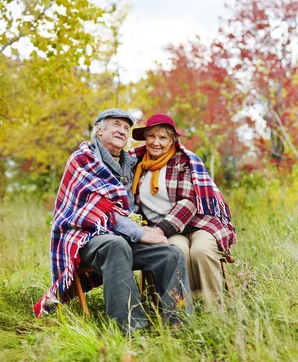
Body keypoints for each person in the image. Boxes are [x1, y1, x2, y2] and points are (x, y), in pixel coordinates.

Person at [34, 108, 192, 333]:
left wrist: (151, 230)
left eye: (127, 128)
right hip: (84, 236)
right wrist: (139, 233)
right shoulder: (83, 158)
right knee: (115, 245)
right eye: (116, 124)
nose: (123, 130)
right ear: (99, 129)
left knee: (171, 253)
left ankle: (178, 324)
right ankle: (130, 328)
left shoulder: (128, 164)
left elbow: (132, 203)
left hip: (122, 235)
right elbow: (102, 208)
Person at [129, 113, 237, 306]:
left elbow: (189, 202)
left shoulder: (184, 161)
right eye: (151, 136)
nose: (156, 142)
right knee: (176, 251)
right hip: (164, 229)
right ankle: (181, 310)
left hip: (198, 224)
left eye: (162, 138)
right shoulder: (136, 163)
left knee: (201, 251)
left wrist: (160, 229)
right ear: (145, 138)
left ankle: (213, 310)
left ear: (172, 140)